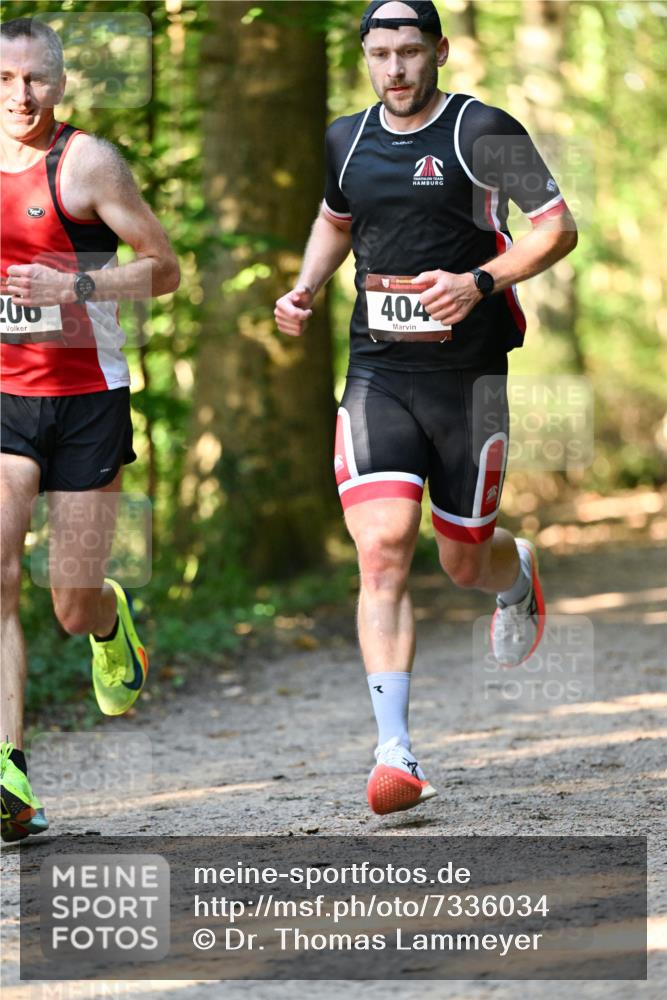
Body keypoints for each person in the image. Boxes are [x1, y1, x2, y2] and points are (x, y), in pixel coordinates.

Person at [274, 0, 577, 816]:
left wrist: (479, 282)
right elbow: (336, 219)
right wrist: (305, 287)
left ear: (438, 51)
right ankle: (394, 752)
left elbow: (555, 229)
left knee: (461, 561)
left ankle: (513, 580)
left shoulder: (483, 130)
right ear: (365, 57)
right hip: (376, 372)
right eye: (381, 53)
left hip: (469, 384)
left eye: (410, 51)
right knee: (381, 550)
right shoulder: (347, 138)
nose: (396, 69)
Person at [0, 18, 180, 842]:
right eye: (5, 80)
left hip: (86, 399)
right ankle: (10, 771)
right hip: (4, 397)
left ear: (60, 83)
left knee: (67, 603)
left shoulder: (87, 163)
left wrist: (73, 284)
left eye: (35, 79)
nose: (21, 96)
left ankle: (108, 624)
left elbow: (165, 270)